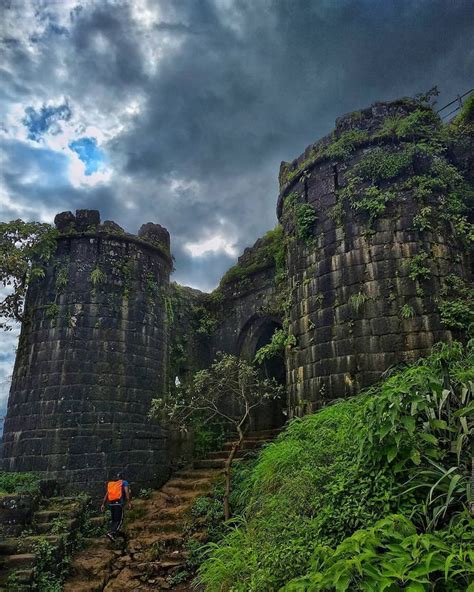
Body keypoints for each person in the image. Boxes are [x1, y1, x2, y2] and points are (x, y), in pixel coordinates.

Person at [100, 472, 132, 542]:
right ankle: (112, 533)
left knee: (114, 520)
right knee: (119, 520)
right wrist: (129, 502)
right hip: (118, 503)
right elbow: (127, 492)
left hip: (111, 504)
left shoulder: (112, 484)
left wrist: (103, 504)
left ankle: (112, 534)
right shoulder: (124, 482)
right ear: (123, 477)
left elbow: (106, 495)